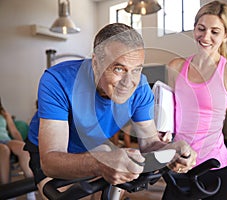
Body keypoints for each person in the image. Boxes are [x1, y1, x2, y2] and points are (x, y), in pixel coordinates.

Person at [24, 23, 197, 199]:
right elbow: (51, 161)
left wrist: (172, 150)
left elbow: (150, 143)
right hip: (48, 151)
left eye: (136, 69)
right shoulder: (57, 81)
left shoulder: (141, 88)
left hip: (94, 146)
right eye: (119, 68)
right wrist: (99, 163)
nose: (129, 82)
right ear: (95, 63)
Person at [166, 1, 227, 199]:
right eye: (201, 29)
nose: (205, 37)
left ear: (226, 35)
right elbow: (166, 118)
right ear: (194, 29)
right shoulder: (175, 67)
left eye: (214, 32)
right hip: (180, 168)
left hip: (216, 170)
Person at [0, 98, 36, 200]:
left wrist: (23, 143)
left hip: (6, 140)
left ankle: (31, 190)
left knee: (23, 148)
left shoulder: (3, 113)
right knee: (4, 150)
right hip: (2, 146)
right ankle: (8, 193)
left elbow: (14, 132)